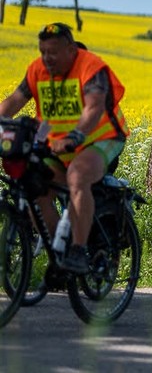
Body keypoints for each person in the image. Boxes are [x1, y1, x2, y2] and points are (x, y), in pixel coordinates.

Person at [0, 22, 129, 274]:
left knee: (78, 176)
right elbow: (16, 103)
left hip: (101, 139)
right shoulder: (41, 74)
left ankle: (78, 251)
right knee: (37, 185)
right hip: (63, 147)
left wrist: (75, 136)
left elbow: (93, 109)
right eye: (44, 52)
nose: (49, 59)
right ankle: (60, 252)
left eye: (55, 53)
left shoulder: (91, 71)